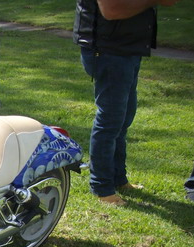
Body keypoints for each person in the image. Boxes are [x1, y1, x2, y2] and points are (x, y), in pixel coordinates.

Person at [73, 0, 181, 206]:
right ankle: (102, 187)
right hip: (108, 50)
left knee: (123, 118)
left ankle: (118, 179)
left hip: (127, 48)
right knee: (111, 120)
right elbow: (111, 10)